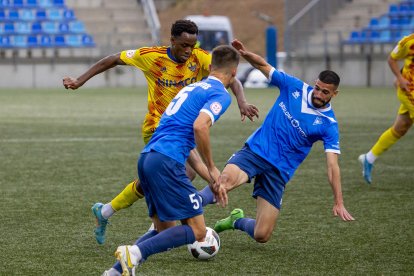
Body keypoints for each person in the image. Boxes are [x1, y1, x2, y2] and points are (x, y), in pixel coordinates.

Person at [62, 19, 258, 244]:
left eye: (192, 46)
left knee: (163, 176)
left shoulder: (200, 57)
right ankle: (163, 223)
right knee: (183, 172)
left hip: (179, 127)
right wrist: (79, 81)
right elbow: (113, 59)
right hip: (157, 126)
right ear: (172, 40)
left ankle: (107, 211)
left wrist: (242, 102)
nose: (188, 51)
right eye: (183, 45)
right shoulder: (152, 56)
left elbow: (229, 77)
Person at [103, 45, 240, 276]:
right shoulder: (220, 95)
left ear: (211, 66)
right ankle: (133, 253)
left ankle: (115, 272)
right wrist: (213, 167)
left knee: (163, 229)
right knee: (197, 230)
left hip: (149, 158)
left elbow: (190, 150)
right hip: (167, 162)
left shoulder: (191, 88)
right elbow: (200, 126)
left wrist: (213, 181)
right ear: (234, 73)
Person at [207, 39, 354, 245]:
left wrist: (339, 201)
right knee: (223, 183)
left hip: (279, 170)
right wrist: (246, 54)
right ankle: (187, 219)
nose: (318, 94)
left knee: (262, 235)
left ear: (334, 94)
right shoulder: (293, 87)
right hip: (257, 151)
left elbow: (332, 166)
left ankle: (236, 220)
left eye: (325, 92)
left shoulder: (329, 125)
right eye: (317, 88)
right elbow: (263, 66)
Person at [358, 34, 414, 184]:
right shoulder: (408, 42)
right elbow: (392, 59)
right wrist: (400, 79)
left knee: (400, 128)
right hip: (410, 90)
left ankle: (368, 158)